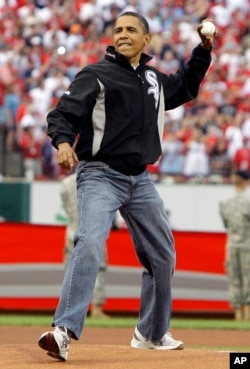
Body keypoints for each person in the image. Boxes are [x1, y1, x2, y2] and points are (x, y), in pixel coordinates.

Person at [38, 12, 214, 361]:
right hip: (100, 173)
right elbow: (62, 114)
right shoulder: (96, 74)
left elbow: (185, 86)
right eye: (118, 30)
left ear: (146, 40)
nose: (122, 34)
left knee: (163, 255)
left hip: (140, 179)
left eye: (131, 30)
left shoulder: (152, 78)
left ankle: (150, 333)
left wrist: (203, 50)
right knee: (89, 241)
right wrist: (62, 143)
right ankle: (63, 330)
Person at [60, 172, 110, 319]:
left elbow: (65, 206)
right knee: (98, 268)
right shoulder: (100, 180)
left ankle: (68, 311)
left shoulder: (66, 183)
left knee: (71, 270)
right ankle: (96, 308)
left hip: (72, 229)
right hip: (94, 229)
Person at [219, 169, 250, 321]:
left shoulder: (225, 201)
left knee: (234, 279)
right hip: (248, 245)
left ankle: (238, 314)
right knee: (248, 278)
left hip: (231, 245)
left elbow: (225, 223)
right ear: (246, 181)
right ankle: (248, 314)